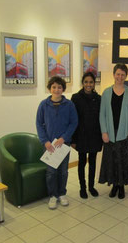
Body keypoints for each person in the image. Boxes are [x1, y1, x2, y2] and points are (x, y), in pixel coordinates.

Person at [36, 76, 78, 209]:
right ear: (50, 89)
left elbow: (74, 123)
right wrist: (45, 141)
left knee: (63, 171)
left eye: (59, 87)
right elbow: (39, 124)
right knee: (51, 172)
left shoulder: (69, 105)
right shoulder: (43, 104)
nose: (56, 89)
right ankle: (53, 196)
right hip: (49, 146)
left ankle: (61, 193)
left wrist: (64, 138)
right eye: (54, 87)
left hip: (63, 144)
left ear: (63, 89)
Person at [99, 63, 128, 199]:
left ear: (126, 76)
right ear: (114, 74)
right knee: (112, 160)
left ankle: (121, 186)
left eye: (122, 74)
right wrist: (104, 131)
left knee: (123, 160)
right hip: (110, 132)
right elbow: (102, 114)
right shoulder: (106, 92)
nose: (120, 77)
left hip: (125, 133)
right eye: (118, 74)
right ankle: (114, 185)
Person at [71, 72, 102, 199]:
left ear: (94, 84)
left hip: (95, 135)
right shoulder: (76, 98)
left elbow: (101, 118)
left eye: (91, 82)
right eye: (86, 82)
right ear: (82, 83)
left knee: (93, 162)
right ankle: (82, 188)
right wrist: (73, 139)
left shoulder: (99, 98)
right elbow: (72, 119)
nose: (88, 84)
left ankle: (91, 186)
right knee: (82, 162)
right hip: (81, 136)